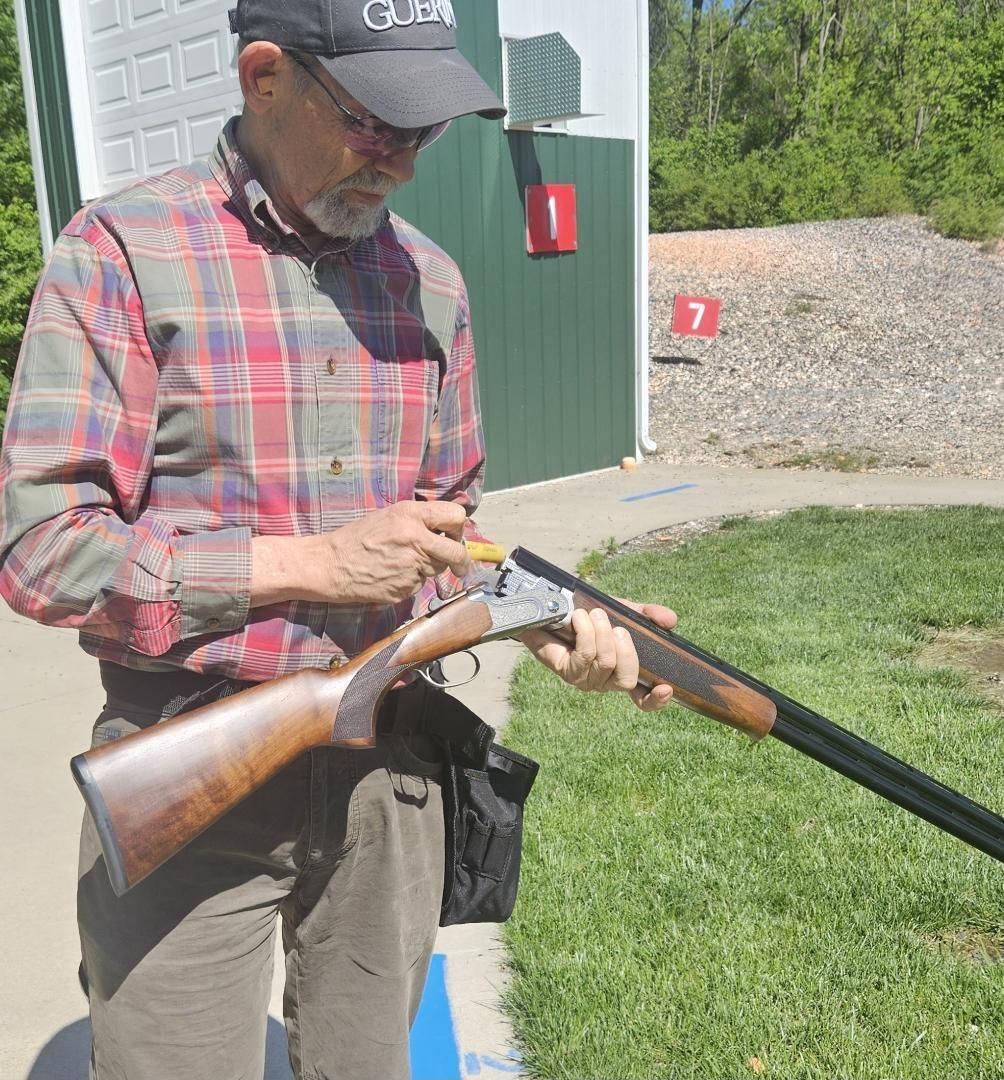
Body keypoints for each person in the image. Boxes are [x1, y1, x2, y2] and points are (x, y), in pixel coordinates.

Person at [0, 2, 676, 1077]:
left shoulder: (434, 284)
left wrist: (548, 620)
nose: (402, 165)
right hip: (185, 764)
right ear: (265, 75)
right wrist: (311, 564)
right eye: (376, 125)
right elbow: (41, 550)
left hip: (389, 774)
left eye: (426, 132)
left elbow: (451, 532)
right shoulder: (120, 254)